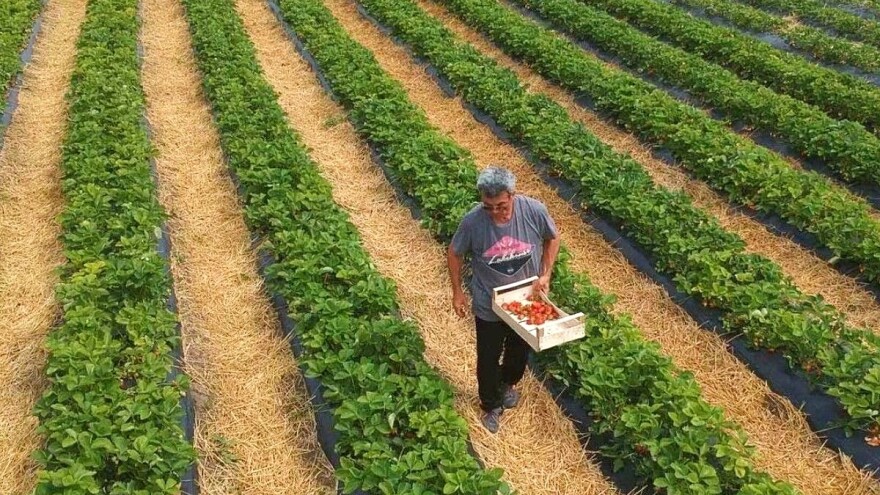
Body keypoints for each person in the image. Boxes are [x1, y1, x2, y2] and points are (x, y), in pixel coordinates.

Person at [447, 166, 560, 433]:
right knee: (487, 357)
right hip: (489, 303)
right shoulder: (472, 222)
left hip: (524, 301)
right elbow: (454, 253)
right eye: (488, 207)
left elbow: (552, 238)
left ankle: (507, 383)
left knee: (519, 352)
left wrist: (545, 273)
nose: (495, 212)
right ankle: (490, 404)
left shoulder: (533, 211)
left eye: (500, 206)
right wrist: (457, 291)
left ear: (512, 195)